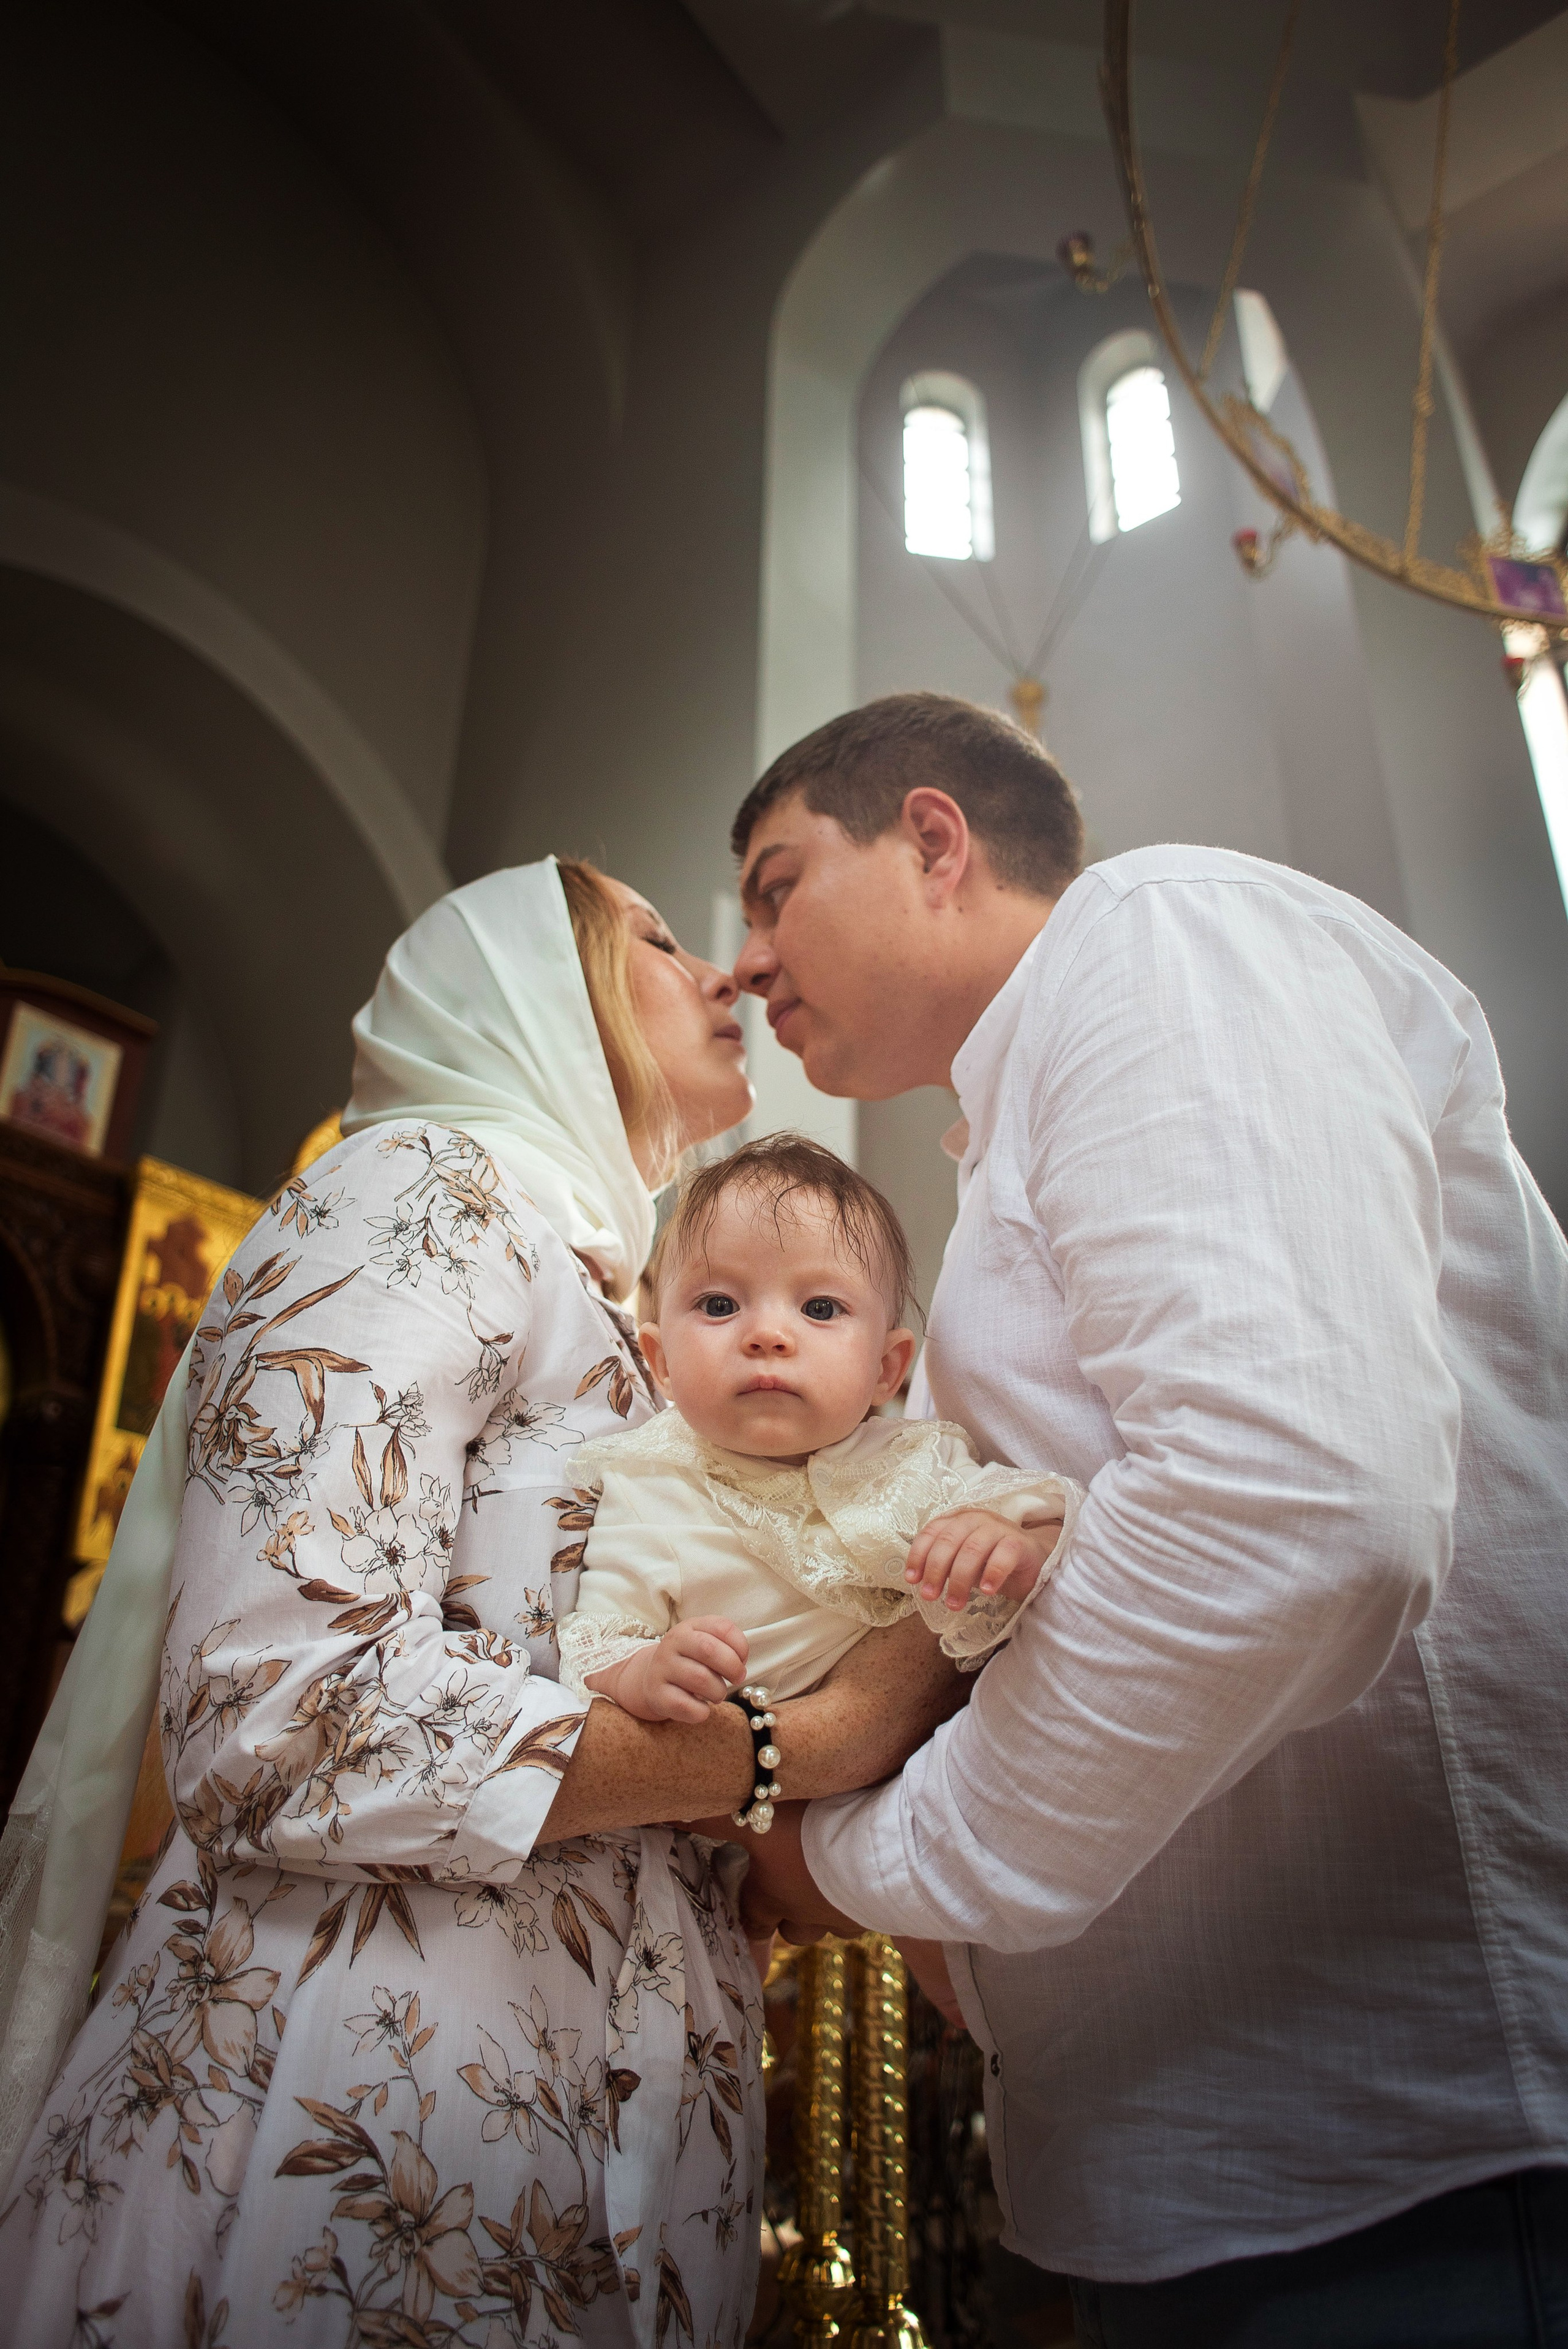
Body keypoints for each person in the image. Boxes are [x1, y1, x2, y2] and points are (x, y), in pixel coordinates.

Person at [0, 856, 964, 2348]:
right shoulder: (423, 1190)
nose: (722, 971)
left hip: (585, 2118)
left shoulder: (625, 1300)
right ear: (525, 987)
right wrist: (797, 1743)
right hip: (353, 2103)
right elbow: (272, 1709)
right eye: (656, 938)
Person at [730, 692, 1568, 2345]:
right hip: (1209, 2159)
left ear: (932, 839)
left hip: (1402, 2158)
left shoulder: (1162, 941)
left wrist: (879, 1857)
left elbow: (1295, 1501)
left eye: (775, 885)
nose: (748, 960)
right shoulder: (1029, 1101)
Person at [556, 1132, 1078, 1724]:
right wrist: (644, 1671)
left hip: (929, 1753)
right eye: (720, 1305)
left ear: (885, 1369)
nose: (768, 1335)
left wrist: (1012, 1543)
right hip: (734, 1759)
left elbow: (1051, 1522)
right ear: (662, 1361)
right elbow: (598, 1640)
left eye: (820, 1308)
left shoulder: (915, 1462)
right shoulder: (650, 1485)